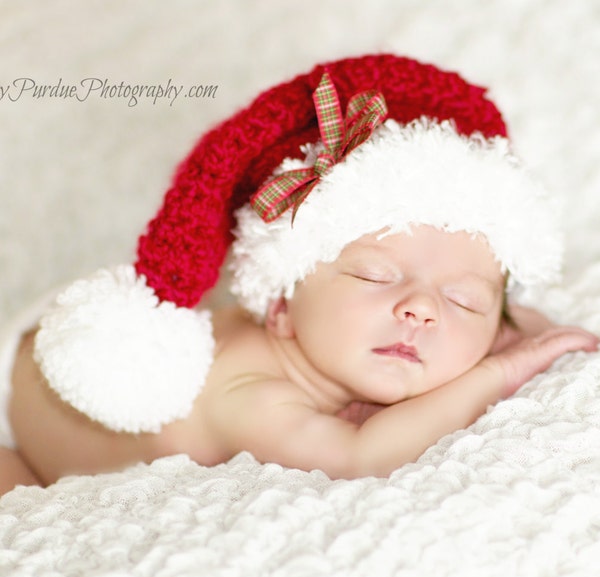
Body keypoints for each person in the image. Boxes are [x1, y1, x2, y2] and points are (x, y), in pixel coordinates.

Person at [1, 54, 597, 495]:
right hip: (15, 393)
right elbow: (359, 458)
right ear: (280, 307)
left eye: (464, 302)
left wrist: (518, 331)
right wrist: (500, 369)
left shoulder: (348, 338)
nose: (423, 309)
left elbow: (508, 321)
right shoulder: (255, 395)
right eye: (373, 276)